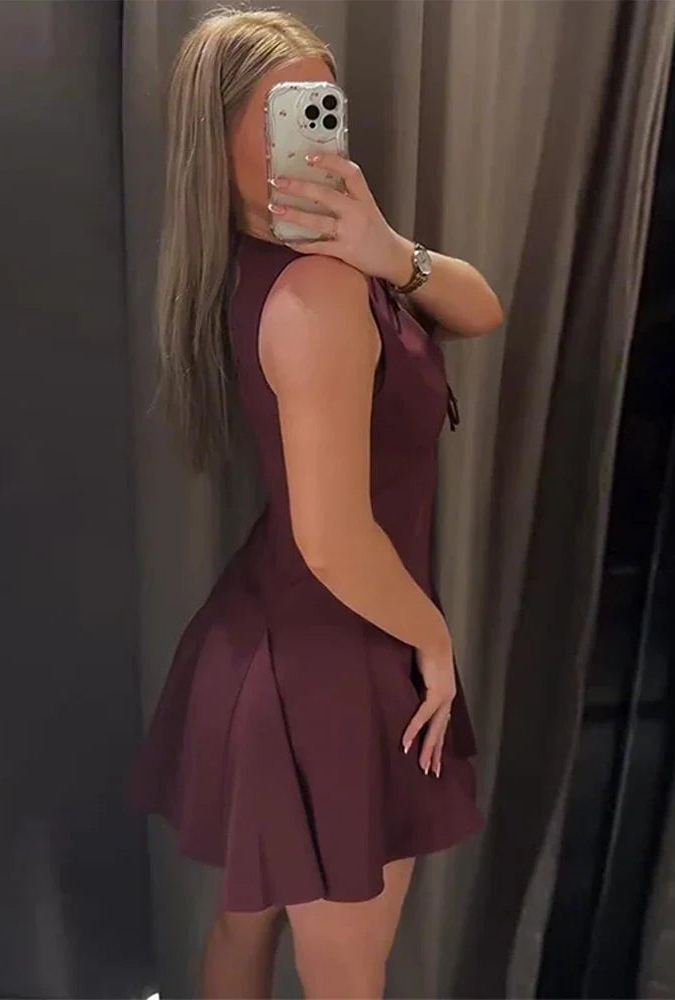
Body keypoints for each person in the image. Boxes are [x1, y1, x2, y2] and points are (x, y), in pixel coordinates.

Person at [125, 5, 504, 998]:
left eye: (321, 103)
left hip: (274, 637)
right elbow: (332, 537)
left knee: (243, 929)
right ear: (216, 140)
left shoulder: (316, 269)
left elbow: (479, 306)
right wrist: (432, 637)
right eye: (284, 110)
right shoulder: (316, 298)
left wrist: (387, 247)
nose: (316, 128)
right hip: (339, 659)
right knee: (344, 968)